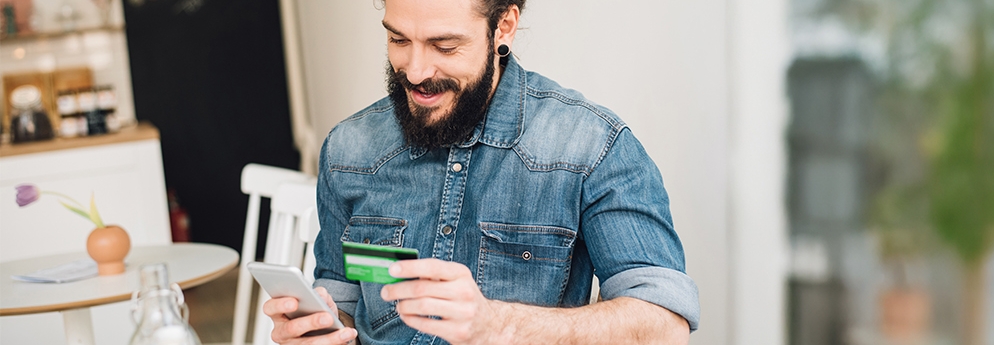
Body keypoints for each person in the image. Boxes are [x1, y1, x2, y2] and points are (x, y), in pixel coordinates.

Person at [260, 0, 699, 343]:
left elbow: (664, 323)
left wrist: (500, 326)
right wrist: (320, 328)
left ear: (503, 27)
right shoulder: (348, 149)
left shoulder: (590, 146)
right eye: (398, 40)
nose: (415, 71)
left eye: (444, 46)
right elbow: (344, 300)